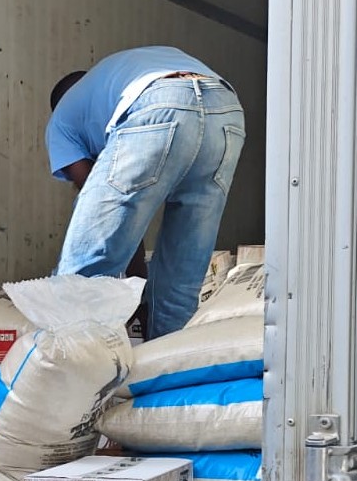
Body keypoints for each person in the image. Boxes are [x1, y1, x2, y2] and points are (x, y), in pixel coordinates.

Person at [45, 45, 246, 339]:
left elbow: (109, 222)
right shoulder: (109, 83)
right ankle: (165, 376)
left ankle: (69, 374)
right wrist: (140, 289)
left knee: (82, 277)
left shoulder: (61, 120)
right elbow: (126, 222)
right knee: (180, 282)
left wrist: (135, 290)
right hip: (226, 109)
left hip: (157, 102)